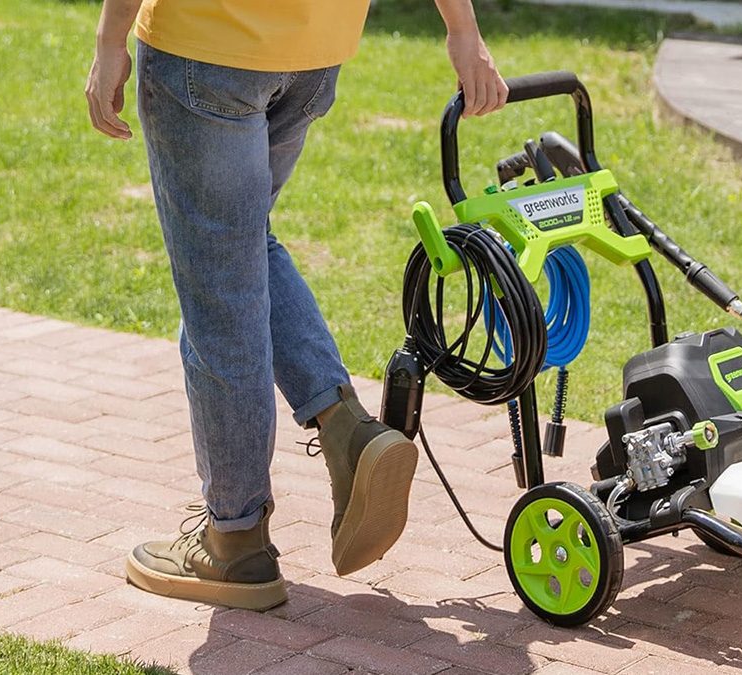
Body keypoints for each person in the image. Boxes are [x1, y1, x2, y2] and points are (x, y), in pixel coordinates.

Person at [85, 0, 508, 610]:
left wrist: (109, 39)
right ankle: (346, 431)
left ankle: (234, 540)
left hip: (206, 46)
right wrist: (463, 30)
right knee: (241, 243)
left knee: (219, 288)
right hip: (313, 56)